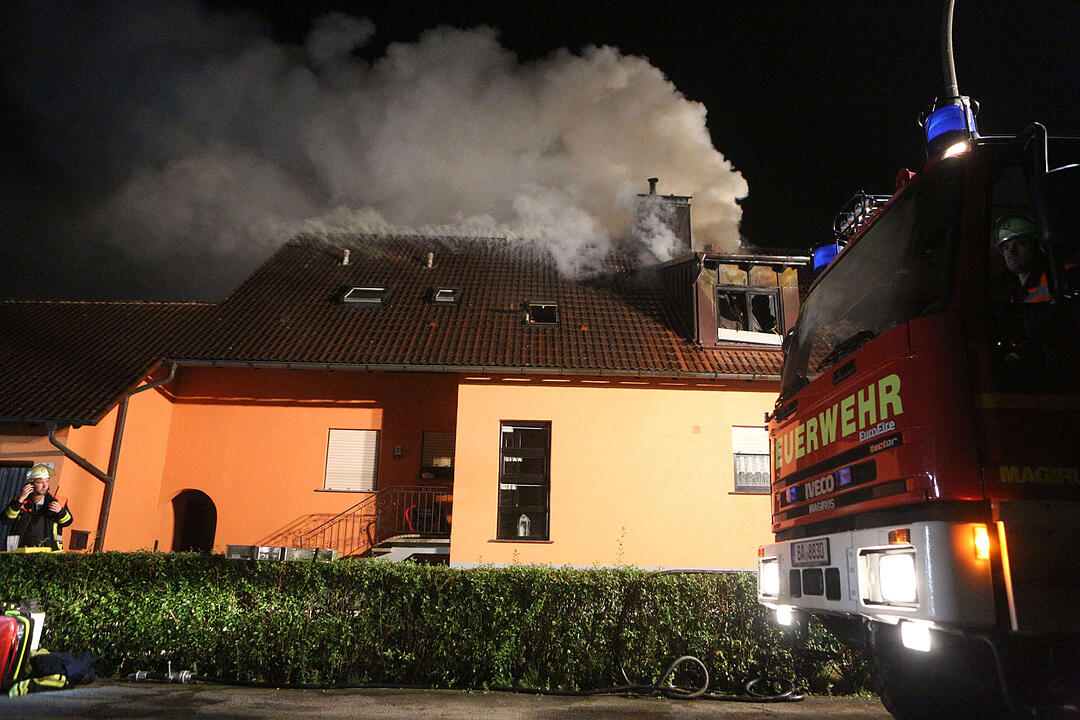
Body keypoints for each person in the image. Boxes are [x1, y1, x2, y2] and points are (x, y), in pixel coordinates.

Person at [996, 215, 1078, 303]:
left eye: (1020, 243)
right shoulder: (1013, 294)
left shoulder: (1067, 275)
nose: (1011, 251)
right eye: (1006, 247)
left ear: (1037, 246)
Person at [2, 464, 73, 551]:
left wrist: (60, 512)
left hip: (49, 550)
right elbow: (6, 520)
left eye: (47, 481)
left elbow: (68, 522)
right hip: (19, 550)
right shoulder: (19, 502)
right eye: (40, 482)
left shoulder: (58, 501)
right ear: (30, 485)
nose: (45, 486)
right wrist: (19, 501)